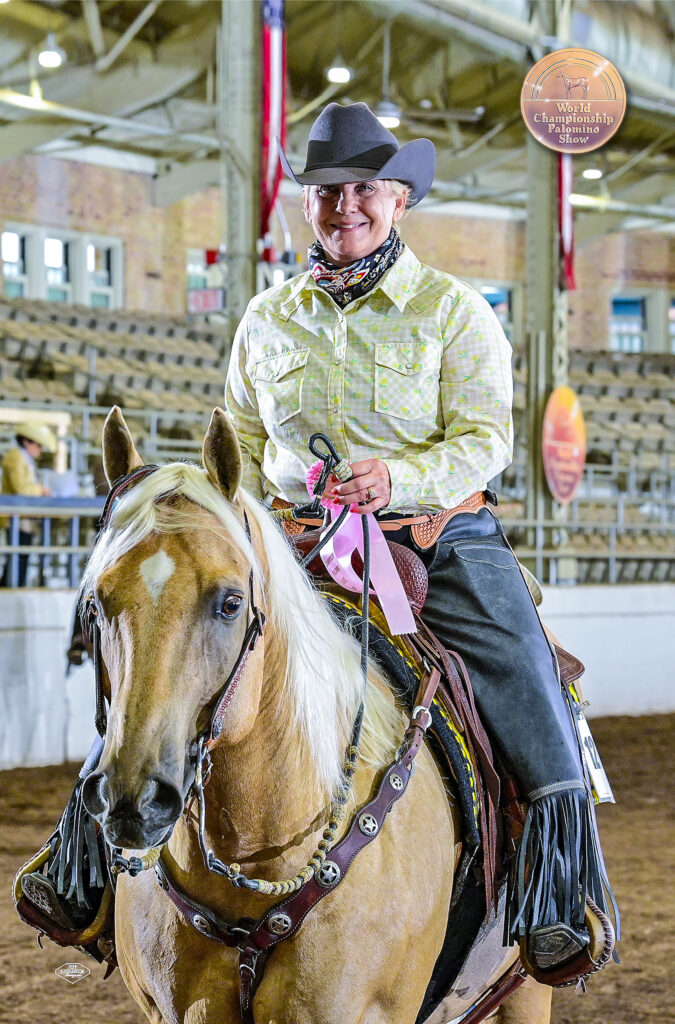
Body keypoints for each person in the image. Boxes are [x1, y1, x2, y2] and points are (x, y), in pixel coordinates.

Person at [224, 102, 617, 978]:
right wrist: (255, 514)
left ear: (398, 197)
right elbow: (243, 439)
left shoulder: (453, 312)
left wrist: (393, 479)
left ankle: (558, 892)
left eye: (362, 187)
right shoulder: (265, 319)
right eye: (325, 191)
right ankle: (90, 859)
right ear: (306, 205)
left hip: (435, 538)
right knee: (180, 656)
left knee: (523, 672)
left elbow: (486, 440)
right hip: (292, 544)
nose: (343, 207)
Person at [0, 422, 55, 587]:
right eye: (38, 445)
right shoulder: (16, 457)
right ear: (26, 441)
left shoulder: (23, 458)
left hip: (22, 518)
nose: (40, 449)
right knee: (17, 558)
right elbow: (20, 487)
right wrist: (40, 490)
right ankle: (10, 588)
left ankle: (10, 587)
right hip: (16, 518)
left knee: (19, 558)